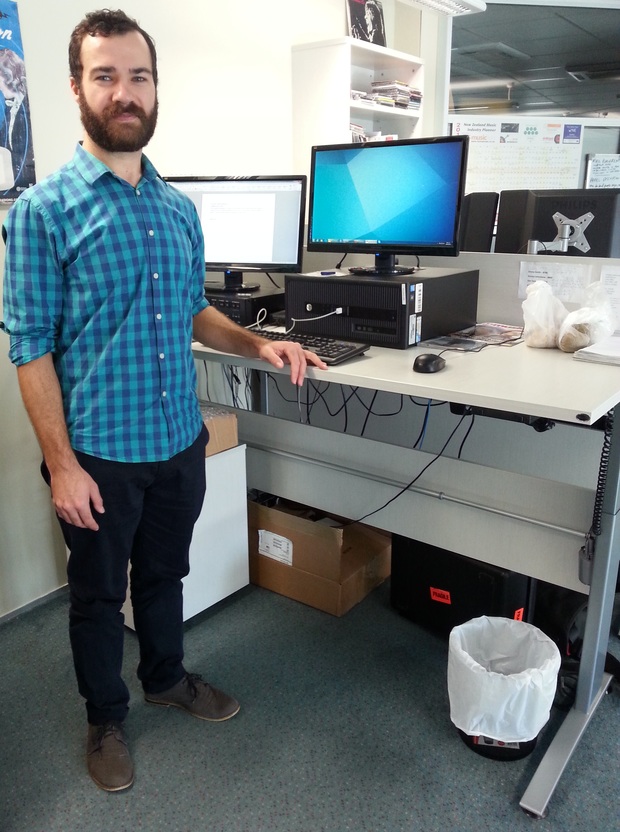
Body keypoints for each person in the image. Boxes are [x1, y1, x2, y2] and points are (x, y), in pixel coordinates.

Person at [1, 9, 327, 793]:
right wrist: (61, 464)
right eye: (105, 75)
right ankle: (105, 715)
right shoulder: (41, 214)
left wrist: (259, 343)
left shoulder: (178, 211)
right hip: (99, 459)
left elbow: (192, 310)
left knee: (165, 577)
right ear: (77, 87)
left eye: (137, 75)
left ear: (154, 88)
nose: (124, 91)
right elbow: (29, 347)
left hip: (178, 440)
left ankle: (166, 676)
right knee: (96, 595)